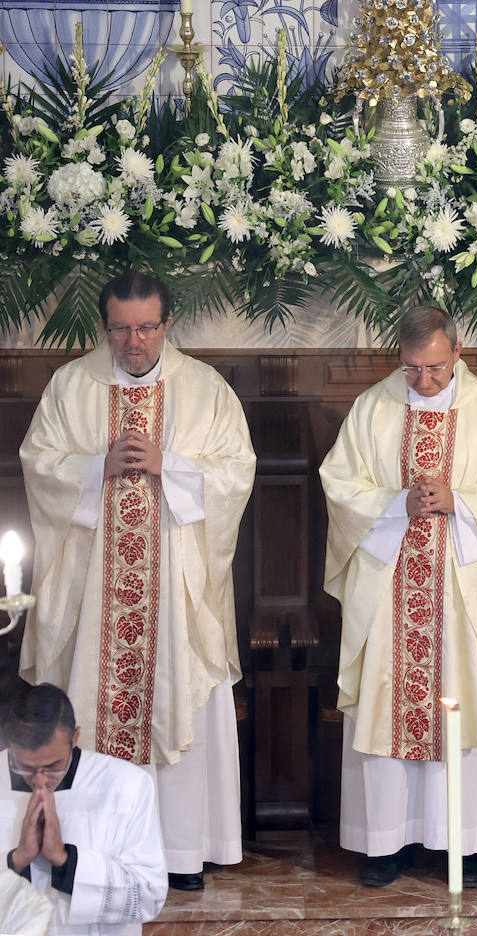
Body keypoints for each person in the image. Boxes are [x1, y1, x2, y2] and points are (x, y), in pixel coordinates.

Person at [19, 271, 256, 891]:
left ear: (166, 323)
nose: (134, 341)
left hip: (176, 595)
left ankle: (180, 852)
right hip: (95, 591)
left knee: (177, 696)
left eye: (146, 327)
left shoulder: (203, 390)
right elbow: (38, 464)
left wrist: (170, 467)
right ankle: (88, 851)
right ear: (105, 325)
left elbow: (236, 473)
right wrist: (95, 468)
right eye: (121, 328)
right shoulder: (71, 387)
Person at [320, 305, 477, 889]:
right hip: (391, 589)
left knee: (464, 703)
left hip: (463, 591)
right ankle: (385, 846)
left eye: (435, 368)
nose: (423, 381)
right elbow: (339, 484)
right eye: (412, 367)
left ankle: (462, 847)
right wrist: (396, 505)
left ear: (457, 353)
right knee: (386, 703)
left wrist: (459, 501)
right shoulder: (372, 408)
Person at [2, 683, 167, 935]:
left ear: (75, 738)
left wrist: (66, 861)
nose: (40, 781)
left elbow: (147, 896)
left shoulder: (126, 785)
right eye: (25, 767)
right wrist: (17, 859)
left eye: (52, 765)